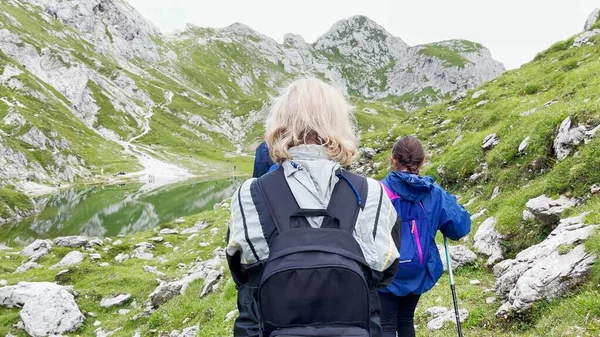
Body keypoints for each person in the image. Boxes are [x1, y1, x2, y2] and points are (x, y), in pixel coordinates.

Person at [227, 77, 401, 337]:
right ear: (339, 124)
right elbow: (384, 273)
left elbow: (242, 273)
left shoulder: (249, 194)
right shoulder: (372, 193)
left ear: (279, 124)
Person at [378, 136, 471, 337]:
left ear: (393, 159)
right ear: (421, 162)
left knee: (385, 323)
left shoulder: (378, 190)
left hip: (385, 271)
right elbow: (459, 228)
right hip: (419, 269)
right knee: (405, 319)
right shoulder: (434, 193)